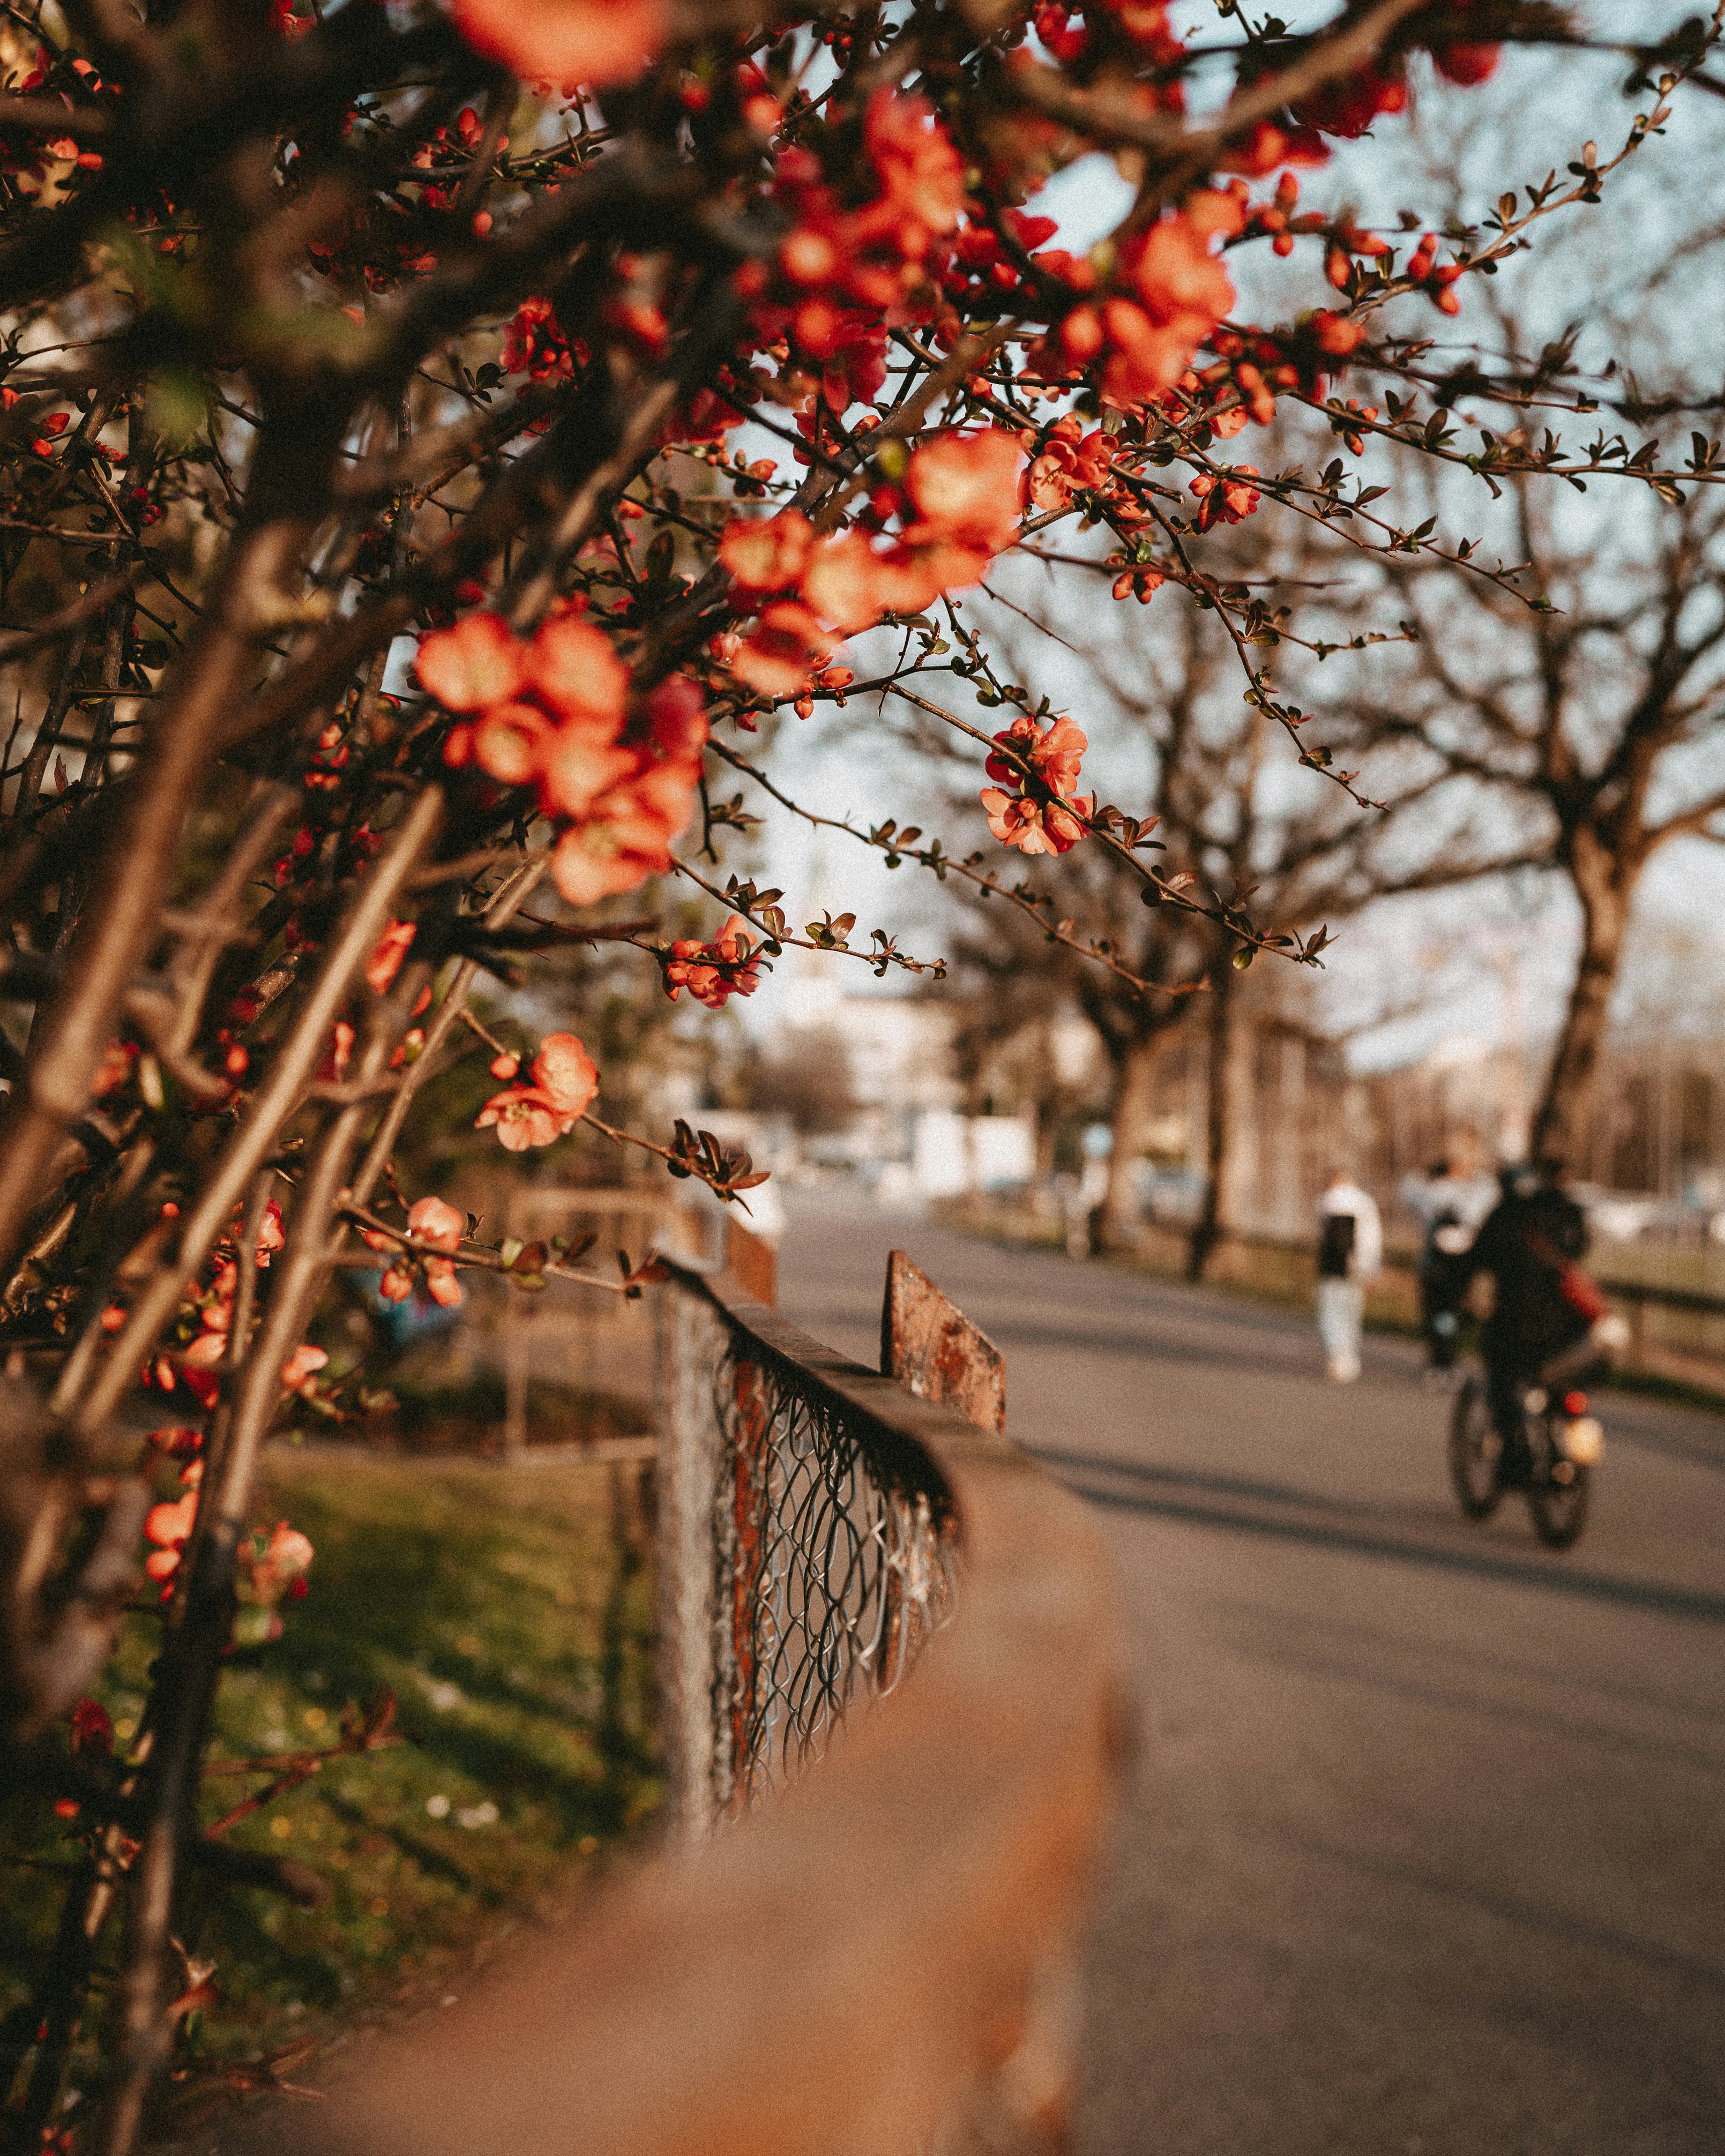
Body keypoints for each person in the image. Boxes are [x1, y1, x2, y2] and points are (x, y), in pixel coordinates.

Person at [1466, 1158, 1606, 1481]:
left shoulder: (1503, 1219)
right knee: (1562, 1383)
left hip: (1518, 1325)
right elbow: (1579, 1249)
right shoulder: (1566, 1212)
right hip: (1568, 1326)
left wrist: (1458, 1303)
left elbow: (1472, 1263)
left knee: (1503, 1380)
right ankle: (1569, 1448)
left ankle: (1515, 1462)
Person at [1400, 1135, 1498, 1376]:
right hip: (1458, 1266)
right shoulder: (1472, 1194)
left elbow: (1409, 1189)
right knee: (1449, 1314)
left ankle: (1441, 1360)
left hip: (1439, 1265)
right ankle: (1444, 1358)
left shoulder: (1432, 1192)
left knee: (1439, 1314)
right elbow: (1491, 1193)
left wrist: (1429, 1172)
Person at [1316, 1170, 1382, 1383]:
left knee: (1332, 1310)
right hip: (1358, 1266)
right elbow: (1373, 1237)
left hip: (1335, 1265)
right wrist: (1370, 1266)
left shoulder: (1331, 1200)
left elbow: (1329, 1234)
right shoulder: (1366, 1202)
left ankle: (1339, 1353)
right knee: (1351, 1311)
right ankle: (1349, 1356)